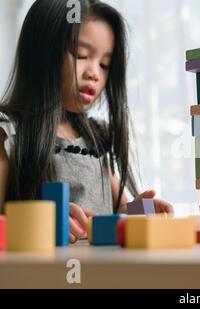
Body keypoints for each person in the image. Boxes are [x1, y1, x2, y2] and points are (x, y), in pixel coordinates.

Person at [0, 0, 173, 244]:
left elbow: (120, 211)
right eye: (81, 55)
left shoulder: (96, 138)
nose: (95, 73)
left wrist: (137, 213)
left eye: (105, 65)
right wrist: (39, 225)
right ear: (41, 51)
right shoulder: (9, 132)